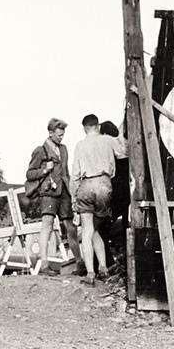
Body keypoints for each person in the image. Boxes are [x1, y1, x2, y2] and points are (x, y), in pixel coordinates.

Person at [70, 114, 128, 284]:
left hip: (86, 185)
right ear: (98, 126)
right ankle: (103, 267)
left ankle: (90, 274)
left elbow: (75, 175)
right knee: (95, 229)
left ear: (85, 128)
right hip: (104, 185)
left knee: (88, 231)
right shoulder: (108, 140)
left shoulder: (80, 145)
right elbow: (124, 151)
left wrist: (74, 200)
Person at [25, 118, 82, 276]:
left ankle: (79, 263)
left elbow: (66, 172)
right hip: (48, 192)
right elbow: (29, 174)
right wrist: (44, 170)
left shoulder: (64, 149)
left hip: (64, 192)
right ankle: (44, 265)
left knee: (71, 227)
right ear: (50, 133)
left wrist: (72, 191)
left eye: (62, 135)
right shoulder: (40, 150)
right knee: (47, 226)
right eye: (58, 135)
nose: (61, 138)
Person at [97, 119, 130, 269]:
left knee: (101, 228)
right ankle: (126, 260)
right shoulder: (123, 147)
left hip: (116, 193)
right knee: (126, 227)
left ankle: (108, 262)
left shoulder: (107, 145)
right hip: (129, 193)